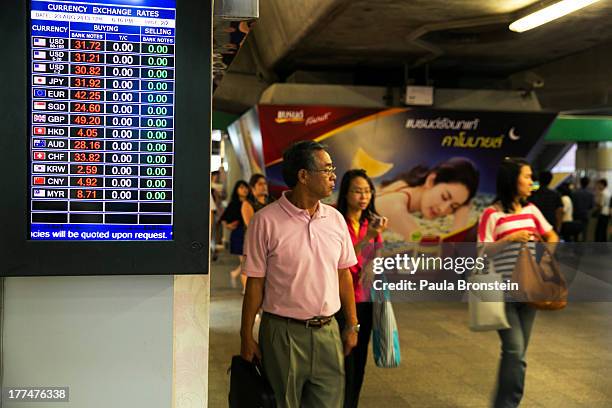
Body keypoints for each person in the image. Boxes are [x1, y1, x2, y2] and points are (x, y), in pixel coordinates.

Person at [240, 140, 359, 408]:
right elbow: (255, 283)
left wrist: (351, 324)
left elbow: (344, 275)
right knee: (284, 403)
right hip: (283, 333)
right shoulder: (266, 221)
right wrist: (246, 336)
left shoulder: (335, 219)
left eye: (333, 169)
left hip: (328, 331)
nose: (333, 176)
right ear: (303, 176)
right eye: (326, 169)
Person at [478, 157, 559, 408]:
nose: (530, 181)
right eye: (526, 176)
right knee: (514, 350)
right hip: (503, 291)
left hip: (530, 290)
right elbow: (481, 251)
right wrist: (511, 238)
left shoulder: (532, 210)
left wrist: (544, 258)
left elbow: (551, 234)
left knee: (519, 354)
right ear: (512, 180)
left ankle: (505, 403)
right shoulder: (492, 214)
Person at [336, 169, 387, 408]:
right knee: (341, 359)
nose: (363, 196)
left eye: (367, 191)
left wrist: (375, 266)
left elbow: (379, 256)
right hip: (340, 301)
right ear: (346, 193)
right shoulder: (336, 222)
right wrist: (368, 239)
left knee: (359, 361)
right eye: (357, 191)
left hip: (365, 300)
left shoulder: (371, 222)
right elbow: (340, 261)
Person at [376, 157, 479, 241]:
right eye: (444, 197)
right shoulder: (395, 208)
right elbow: (434, 258)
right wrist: (461, 219)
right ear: (431, 180)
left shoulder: (403, 185)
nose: (443, 209)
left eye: (453, 207)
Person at [239, 173, 274, 292]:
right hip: (253, 243)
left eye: (265, 184)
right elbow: (251, 226)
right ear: (252, 187)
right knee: (251, 273)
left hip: (270, 243)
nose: (264, 186)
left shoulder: (271, 202)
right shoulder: (247, 204)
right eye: (260, 184)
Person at [220, 180, 250, 288]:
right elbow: (223, 219)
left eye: (246, 187)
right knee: (246, 262)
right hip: (238, 234)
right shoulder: (234, 204)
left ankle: (235, 274)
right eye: (241, 187)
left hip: (250, 235)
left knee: (247, 261)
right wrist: (229, 226)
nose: (244, 189)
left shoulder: (251, 202)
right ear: (237, 190)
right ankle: (245, 287)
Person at [572, 176, 594, 241]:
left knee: (575, 232)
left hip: (576, 214)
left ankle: (575, 246)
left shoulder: (575, 193)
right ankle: (583, 246)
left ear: (580, 183)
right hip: (585, 215)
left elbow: (573, 204)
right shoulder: (590, 194)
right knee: (584, 232)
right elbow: (591, 206)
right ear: (588, 183)